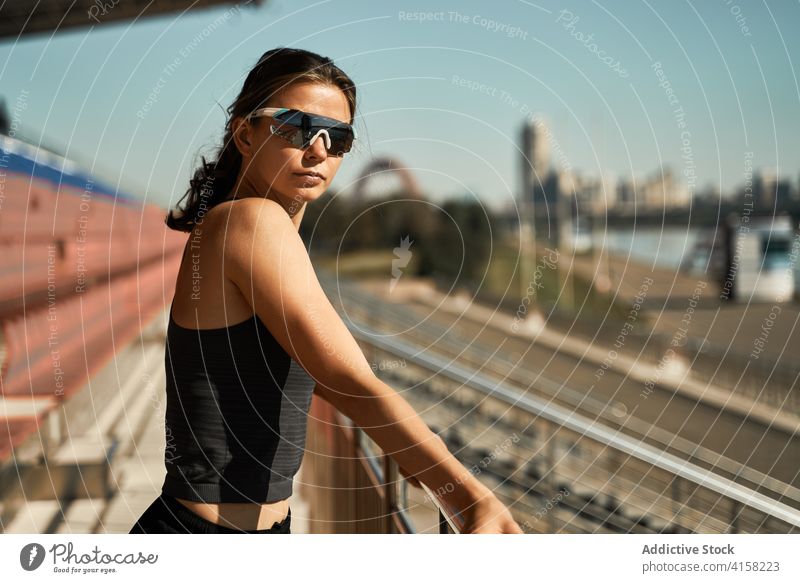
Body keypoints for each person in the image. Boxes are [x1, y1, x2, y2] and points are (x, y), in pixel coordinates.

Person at [129, 46, 522, 534]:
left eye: (337, 137)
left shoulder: (261, 233)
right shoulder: (247, 221)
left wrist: (415, 452)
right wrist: (467, 497)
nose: (317, 149)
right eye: (295, 126)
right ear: (245, 133)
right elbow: (348, 382)